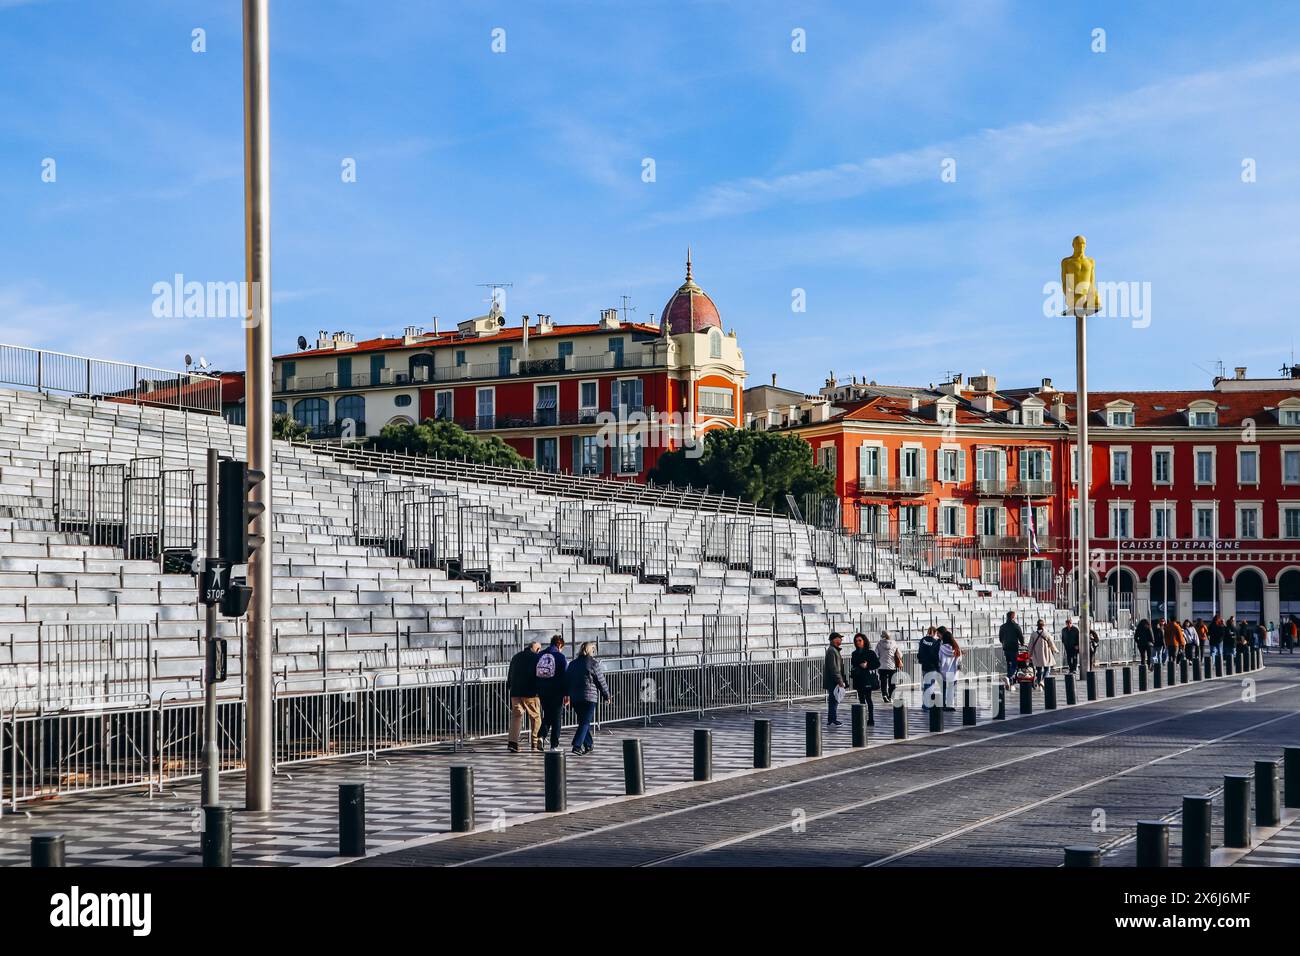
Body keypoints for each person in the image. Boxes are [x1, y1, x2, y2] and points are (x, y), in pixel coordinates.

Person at [564, 642, 611, 755]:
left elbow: (567, 681)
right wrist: (607, 695)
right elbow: (600, 681)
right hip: (590, 697)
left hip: (575, 697)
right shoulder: (593, 664)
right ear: (591, 651)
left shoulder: (572, 664)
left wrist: (566, 695)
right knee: (585, 722)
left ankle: (589, 744)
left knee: (583, 722)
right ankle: (577, 745)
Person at [505, 638, 543, 753]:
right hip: (531, 692)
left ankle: (513, 743)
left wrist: (509, 686)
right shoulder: (537, 657)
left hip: (515, 691)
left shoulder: (516, 656)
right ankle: (535, 743)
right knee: (535, 717)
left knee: (516, 717)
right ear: (537, 649)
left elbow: (510, 673)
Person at [535, 635, 569, 751]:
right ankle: (554, 745)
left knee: (548, 714)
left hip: (542, 690)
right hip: (556, 691)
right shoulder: (560, 657)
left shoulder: (539, 655)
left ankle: (541, 736)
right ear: (559, 645)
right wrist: (566, 694)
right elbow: (565, 676)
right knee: (556, 718)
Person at [849, 633, 880, 726]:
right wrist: (859, 665)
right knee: (861, 699)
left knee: (868, 699)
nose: (858, 642)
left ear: (864, 641)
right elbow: (854, 664)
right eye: (856, 641)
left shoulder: (870, 652)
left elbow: (877, 664)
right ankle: (863, 718)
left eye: (860, 640)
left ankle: (871, 719)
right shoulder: (854, 654)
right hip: (858, 678)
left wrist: (867, 666)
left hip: (867, 678)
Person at [823, 633, 847, 725]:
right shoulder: (832, 651)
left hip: (833, 680)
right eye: (839, 638)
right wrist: (839, 680)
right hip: (833, 680)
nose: (841, 640)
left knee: (834, 700)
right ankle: (832, 719)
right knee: (834, 700)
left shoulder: (833, 650)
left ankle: (831, 719)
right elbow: (834, 668)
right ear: (834, 639)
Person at [917, 627, 943, 710]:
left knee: (927, 685)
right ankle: (927, 705)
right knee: (930, 686)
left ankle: (926, 703)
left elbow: (919, 652)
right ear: (935, 633)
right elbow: (936, 656)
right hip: (932, 666)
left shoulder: (922, 640)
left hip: (924, 665)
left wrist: (921, 660)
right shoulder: (935, 642)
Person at [875, 631, 902, 703]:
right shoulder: (894, 643)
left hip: (882, 666)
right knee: (892, 682)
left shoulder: (879, 644)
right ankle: (891, 697)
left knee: (883, 682)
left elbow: (876, 654)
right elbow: (900, 654)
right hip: (892, 666)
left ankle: (884, 694)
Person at [938, 628, 961, 711]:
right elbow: (959, 660)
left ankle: (943, 704)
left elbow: (939, 659)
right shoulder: (956, 648)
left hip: (944, 671)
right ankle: (950, 705)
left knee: (943, 688)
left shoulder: (941, 648)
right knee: (951, 689)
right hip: (954, 672)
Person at [1029, 619, 1056, 688]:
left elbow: (1030, 646)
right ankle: (1043, 681)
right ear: (1043, 625)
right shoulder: (1046, 633)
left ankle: (1038, 683)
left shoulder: (1033, 634)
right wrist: (1055, 650)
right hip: (1046, 654)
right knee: (1047, 669)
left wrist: (1030, 654)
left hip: (1037, 654)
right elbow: (1051, 644)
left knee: (1038, 670)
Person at [999, 611, 1023, 684]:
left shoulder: (1003, 626)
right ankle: (1009, 677)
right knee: (1014, 664)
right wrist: (1022, 643)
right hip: (1014, 647)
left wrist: (1004, 642)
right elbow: (1020, 636)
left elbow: (1000, 638)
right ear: (1013, 617)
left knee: (1008, 663)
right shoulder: (1016, 626)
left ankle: (1009, 680)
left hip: (1006, 647)